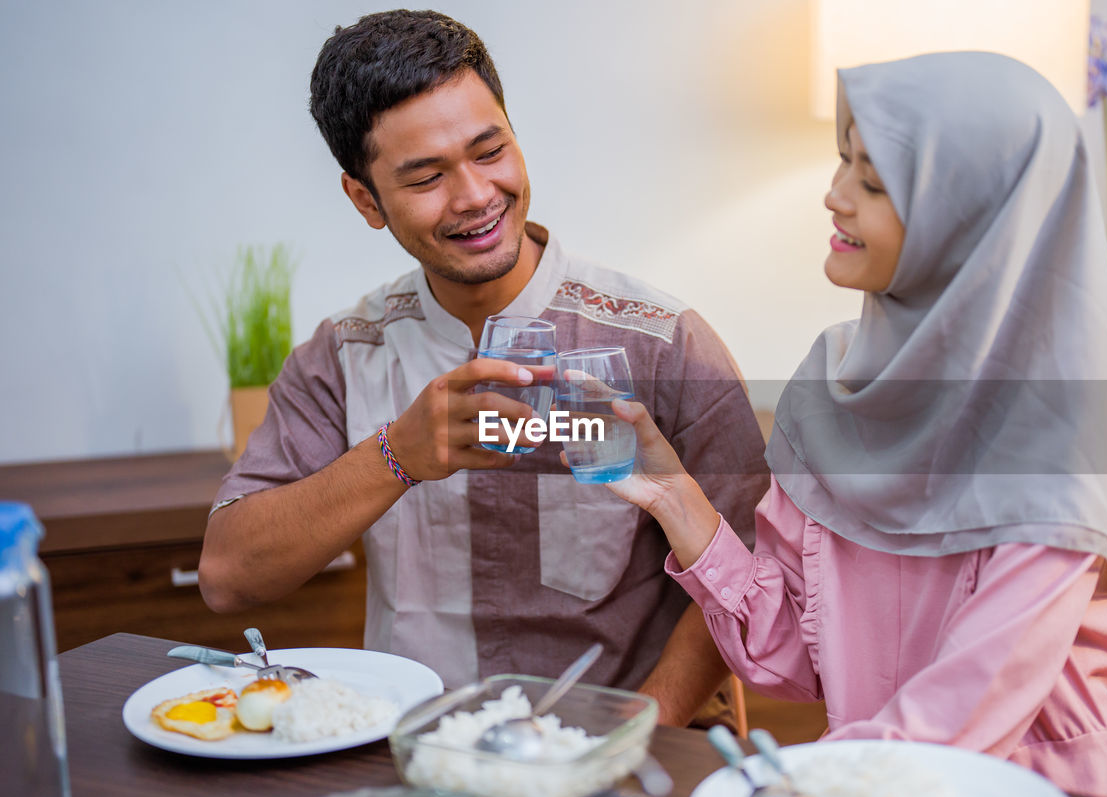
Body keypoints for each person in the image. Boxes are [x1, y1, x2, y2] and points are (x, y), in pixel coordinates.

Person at [599, 51, 1107, 797]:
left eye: (872, 180)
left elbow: (956, 725)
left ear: (970, 217)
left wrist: (771, 794)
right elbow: (792, 657)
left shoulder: (1054, 435)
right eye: (842, 163)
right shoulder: (832, 385)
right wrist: (674, 495)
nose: (834, 196)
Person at [197, 9, 769, 728]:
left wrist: (636, 734)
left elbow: (748, 566)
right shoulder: (343, 356)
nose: (473, 195)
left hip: (626, 760)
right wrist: (395, 456)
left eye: (489, 149)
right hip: (424, 761)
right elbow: (226, 576)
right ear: (365, 199)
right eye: (427, 176)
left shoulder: (662, 340)